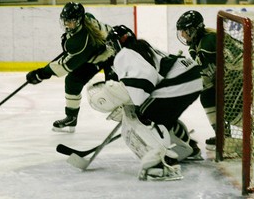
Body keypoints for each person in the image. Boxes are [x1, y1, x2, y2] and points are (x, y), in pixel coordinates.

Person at [86, 25, 203, 180]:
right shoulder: (141, 47)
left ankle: (160, 165)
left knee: (142, 117)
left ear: (117, 43)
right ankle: (187, 149)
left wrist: (134, 104)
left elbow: (144, 78)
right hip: (192, 78)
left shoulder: (125, 53)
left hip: (179, 82)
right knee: (161, 115)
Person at [26, 2, 116, 133]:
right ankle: (71, 118)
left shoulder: (81, 41)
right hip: (96, 53)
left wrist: (41, 74)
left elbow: (64, 66)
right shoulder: (86, 18)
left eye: (71, 21)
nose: (67, 24)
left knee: (115, 88)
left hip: (113, 54)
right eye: (65, 21)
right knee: (72, 81)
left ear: (79, 20)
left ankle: (140, 114)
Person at [176, 10, 220, 150]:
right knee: (207, 94)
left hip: (240, 78)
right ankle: (223, 135)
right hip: (229, 78)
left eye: (184, 30)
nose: (182, 34)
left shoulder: (209, 41)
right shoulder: (197, 43)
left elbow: (204, 73)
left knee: (230, 106)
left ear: (194, 29)